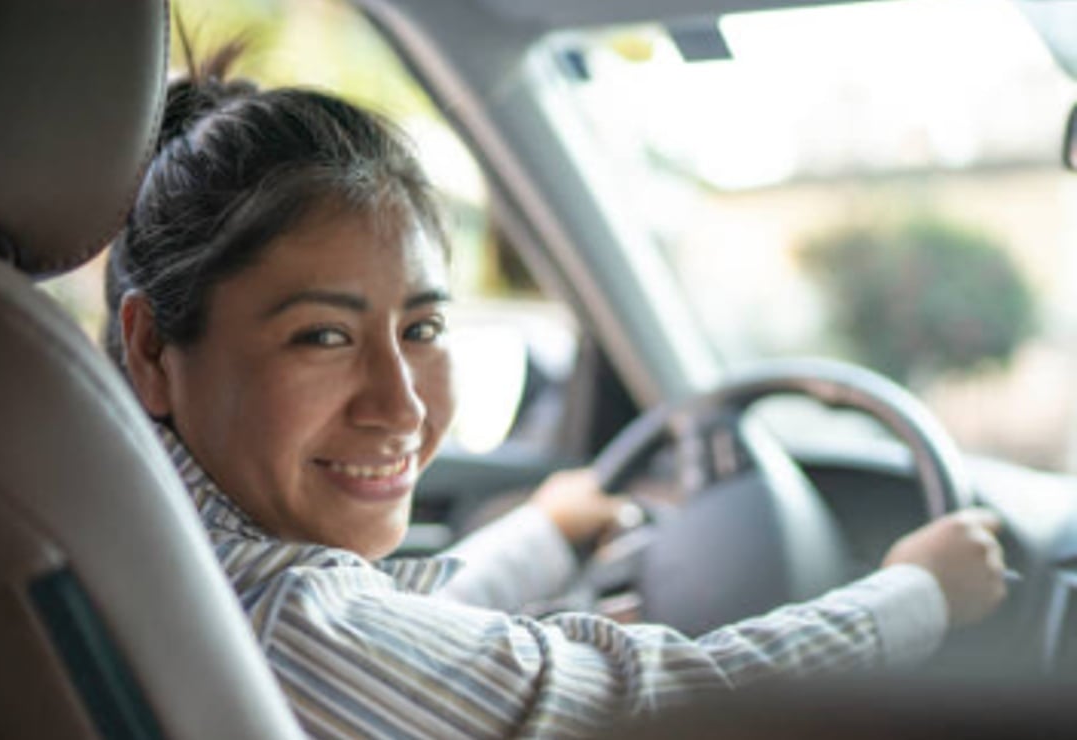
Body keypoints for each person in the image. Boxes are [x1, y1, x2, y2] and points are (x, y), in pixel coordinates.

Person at [104, 45, 1008, 738]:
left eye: (421, 330)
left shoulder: (176, 558)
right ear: (152, 351)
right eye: (324, 337)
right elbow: (666, 706)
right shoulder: (288, 623)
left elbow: (404, 648)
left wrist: (543, 532)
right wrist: (916, 594)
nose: (403, 406)